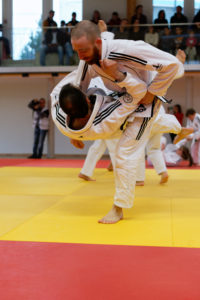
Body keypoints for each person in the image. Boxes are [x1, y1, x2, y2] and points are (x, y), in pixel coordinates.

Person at [51, 20, 189, 223]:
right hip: (125, 95)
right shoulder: (91, 56)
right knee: (151, 126)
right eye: (76, 51)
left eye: (83, 51)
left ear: (97, 42)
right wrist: (75, 131)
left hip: (145, 98)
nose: (79, 56)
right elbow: (79, 86)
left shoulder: (127, 50)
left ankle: (119, 208)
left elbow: (169, 67)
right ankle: (181, 129)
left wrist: (151, 92)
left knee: (124, 152)